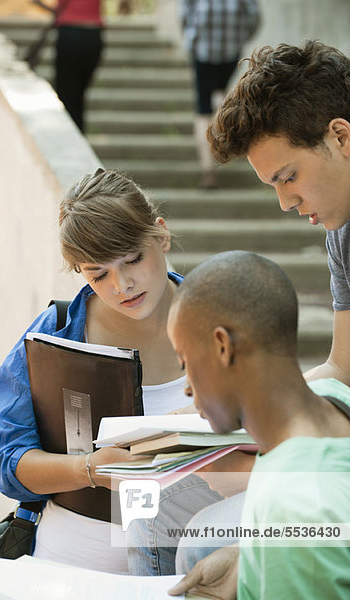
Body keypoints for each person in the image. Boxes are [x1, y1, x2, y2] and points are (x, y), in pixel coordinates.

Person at [0, 168, 222, 574]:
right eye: (98, 273)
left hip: (196, 563)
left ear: (161, 235)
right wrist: (90, 469)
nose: (122, 284)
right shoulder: (57, 332)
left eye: (133, 259)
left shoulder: (222, 318)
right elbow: (6, 461)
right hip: (71, 566)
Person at [165, 251, 350, 599]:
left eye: (185, 362)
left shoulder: (294, 506)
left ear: (222, 346)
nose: (188, 388)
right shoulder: (331, 398)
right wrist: (249, 562)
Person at [207, 40, 350, 386]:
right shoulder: (341, 231)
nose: (286, 203)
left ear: (341, 137)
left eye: (289, 178)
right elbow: (343, 370)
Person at [180, 0, 260, 188]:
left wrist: (190, 40)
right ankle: (229, 145)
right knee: (220, 95)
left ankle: (208, 169)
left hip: (202, 52)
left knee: (203, 109)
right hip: (231, 51)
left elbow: (184, 15)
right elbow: (253, 17)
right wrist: (239, 38)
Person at [31, 0, 132, 132]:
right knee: (77, 96)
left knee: (67, 96)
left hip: (69, 33)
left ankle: (70, 135)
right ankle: (77, 133)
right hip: (92, 35)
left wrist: (56, 10)